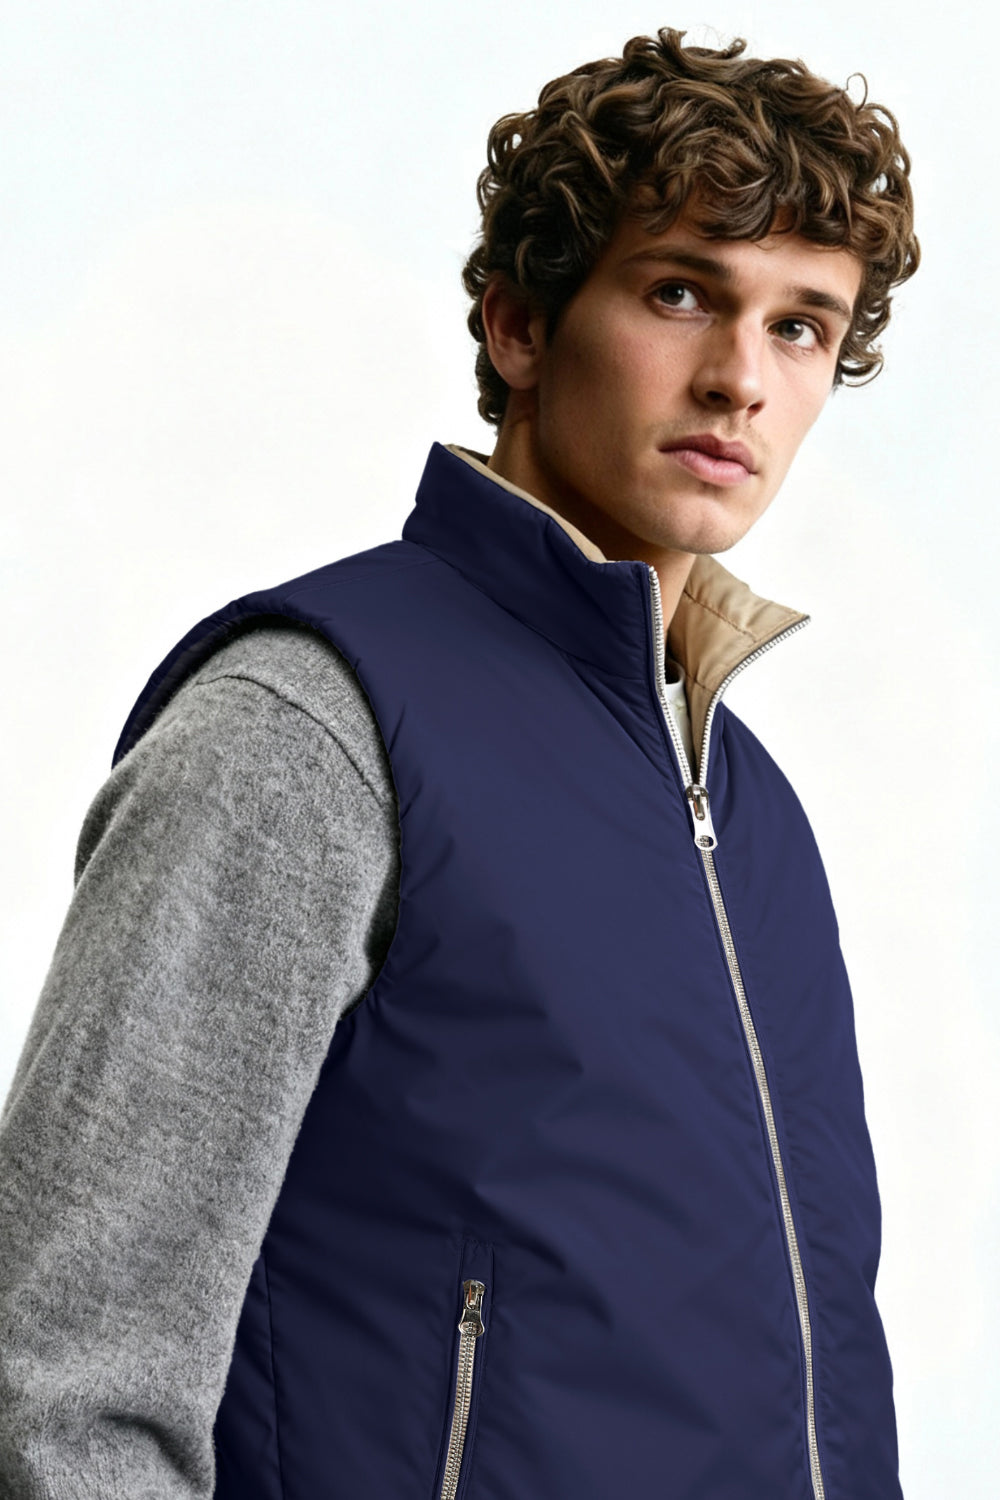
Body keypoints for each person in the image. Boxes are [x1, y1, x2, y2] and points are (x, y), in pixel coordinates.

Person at [0, 25, 918, 1500]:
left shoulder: (757, 815)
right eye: (681, 293)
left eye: (802, 325)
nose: (741, 379)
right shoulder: (309, 726)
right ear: (519, 325)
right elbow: (68, 1387)